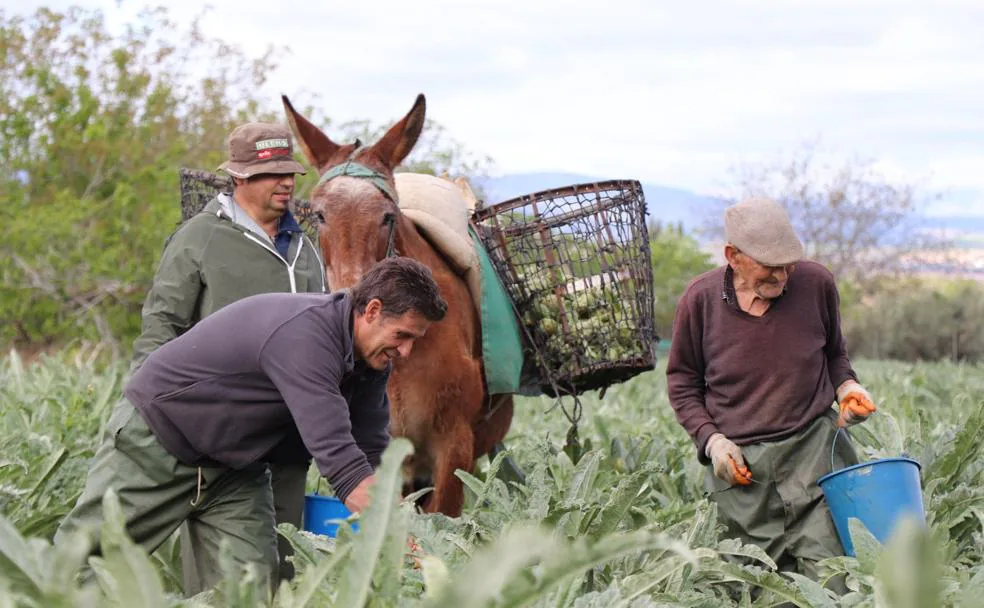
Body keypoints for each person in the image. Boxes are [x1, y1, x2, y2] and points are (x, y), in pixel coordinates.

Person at [56, 257, 447, 594]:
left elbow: (372, 453)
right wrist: (406, 542)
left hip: (235, 470)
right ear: (373, 310)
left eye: (415, 340)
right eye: (403, 336)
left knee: (252, 587)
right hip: (158, 441)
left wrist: (409, 523)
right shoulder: (307, 338)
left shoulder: (373, 359)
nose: (406, 351)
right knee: (81, 566)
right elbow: (342, 463)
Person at [129, 121, 326, 592]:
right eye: (271, 173)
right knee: (223, 582)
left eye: (290, 173)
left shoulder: (306, 248)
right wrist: (146, 415)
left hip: (289, 439)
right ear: (238, 178)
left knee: (283, 566)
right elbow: (162, 327)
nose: (285, 182)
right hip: (219, 438)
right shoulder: (200, 238)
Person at [665, 197, 877, 585]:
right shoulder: (700, 301)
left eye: (787, 264)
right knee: (756, 587)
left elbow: (834, 354)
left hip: (814, 455)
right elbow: (682, 383)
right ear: (733, 256)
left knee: (831, 583)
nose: (782, 276)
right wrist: (713, 443)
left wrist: (847, 387)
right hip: (744, 471)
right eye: (769, 266)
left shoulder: (816, 284)